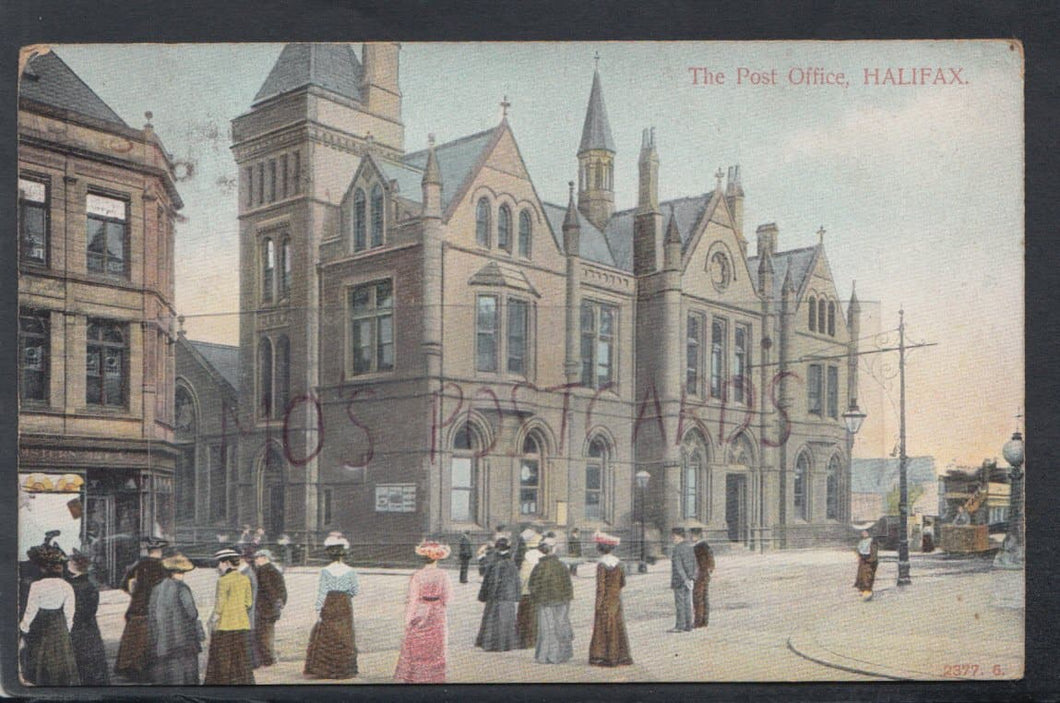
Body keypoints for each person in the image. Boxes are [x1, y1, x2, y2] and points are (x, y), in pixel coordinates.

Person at [394, 541, 453, 683]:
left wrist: (408, 619)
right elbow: (448, 598)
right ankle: (434, 676)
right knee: (435, 644)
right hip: (437, 611)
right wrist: (440, 605)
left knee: (417, 642)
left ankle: (416, 674)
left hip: (421, 609)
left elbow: (412, 598)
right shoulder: (443, 575)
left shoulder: (417, 575)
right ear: (438, 557)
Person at [20, 545, 79, 685]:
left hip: (40, 624)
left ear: (42, 568)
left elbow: (31, 610)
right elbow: (70, 612)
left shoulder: (36, 585)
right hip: (59, 625)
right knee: (59, 659)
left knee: (39, 655)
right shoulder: (66, 586)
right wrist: (66, 629)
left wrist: (24, 627)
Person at [304, 535, 360, 679]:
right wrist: (345, 596)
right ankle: (344, 668)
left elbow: (322, 591)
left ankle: (327, 668)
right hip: (344, 603)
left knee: (328, 633)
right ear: (343, 554)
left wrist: (318, 608)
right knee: (344, 634)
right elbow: (355, 590)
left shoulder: (325, 571)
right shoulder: (351, 571)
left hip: (329, 601)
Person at [115, 536, 169, 681]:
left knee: (133, 639)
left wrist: (135, 593)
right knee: (151, 640)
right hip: (154, 608)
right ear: (158, 551)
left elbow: (125, 585)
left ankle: (130, 669)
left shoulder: (138, 565)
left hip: (137, 608)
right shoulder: (162, 568)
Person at [148, 553, 203, 685]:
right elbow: (192, 613)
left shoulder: (157, 588)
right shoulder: (182, 588)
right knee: (185, 670)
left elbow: (151, 612)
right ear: (181, 572)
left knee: (166, 670)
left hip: (164, 638)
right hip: (183, 638)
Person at [204, 548, 254, 685]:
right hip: (242, 624)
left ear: (226, 563)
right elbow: (248, 603)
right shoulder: (245, 579)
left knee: (223, 659)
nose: (218, 566)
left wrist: (212, 621)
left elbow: (219, 606)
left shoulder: (223, 581)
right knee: (241, 659)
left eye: (219, 563)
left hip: (225, 625)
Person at [527, 536, 574, 664]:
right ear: (554, 549)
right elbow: (568, 586)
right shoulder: (562, 565)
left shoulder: (539, 567)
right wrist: (567, 599)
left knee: (546, 629)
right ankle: (561, 655)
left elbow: (532, 586)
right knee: (561, 626)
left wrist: (536, 599)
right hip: (562, 601)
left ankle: (546, 656)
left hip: (545, 602)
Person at [588, 531, 632, 667]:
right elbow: (623, 583)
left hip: (605, 599)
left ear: (600, 549)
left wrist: (598, 603)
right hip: (616, 599)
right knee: (617, 626)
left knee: (603, 627)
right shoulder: (619, 563)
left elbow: (600, 587)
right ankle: (620, 656)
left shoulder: (601, 564)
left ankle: (604, 656)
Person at [66, 553, 109, 685]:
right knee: (93, 659)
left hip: (77, 628)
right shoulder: (89, 584)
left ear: (73, 565)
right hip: (90, 627)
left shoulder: (73, 586)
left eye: (69, 563)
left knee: (78, 657)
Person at [475, 537, 520, 651]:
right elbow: (516, 580)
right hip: (508, 596)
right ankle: (507, 644)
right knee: (507, 619)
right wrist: (516, 595)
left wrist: (484, 595)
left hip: (495, 596)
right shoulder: (511, 563)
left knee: (493, 619)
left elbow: (488, 581)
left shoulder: (494, 562)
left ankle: (492, 643)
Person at [253, 549, 287, 667]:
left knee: (263, 635)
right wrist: (279, 603)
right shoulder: (275, 570)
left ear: (264, 558)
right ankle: (270, 657)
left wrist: (270, 603)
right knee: (268, 633)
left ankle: (269, 659)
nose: (256, 560)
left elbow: (267, 589)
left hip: (264, 608)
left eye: (257, 558)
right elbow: (282, 590)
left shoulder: (263, 571)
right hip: (273, 608)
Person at [515, 531, 542, 649]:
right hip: (540, 593)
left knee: (526, 617)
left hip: (527, 592)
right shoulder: (542, 556)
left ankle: (526, 640)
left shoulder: (527, 558)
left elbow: (523, 577)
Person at [668, 528, 697, 633]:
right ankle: (688, 625)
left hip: (679, 580)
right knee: (688, 603)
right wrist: (692, 578)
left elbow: (678, 566)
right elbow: (694, 563)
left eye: (674, 536)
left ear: (680, 536)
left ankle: (680, 626)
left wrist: (685, 579)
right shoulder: (689, 547)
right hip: (689, 579)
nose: (673, 539)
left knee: (680, 603)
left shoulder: (677, 549)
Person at [238, 547, 260, 668]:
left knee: (248, 637)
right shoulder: (246, 571)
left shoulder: (247, 573)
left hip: (247, 609)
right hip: (247, 609)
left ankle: (251, 662)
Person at [689, 527, 716, 629]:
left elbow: (696, 564)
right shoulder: (706, 546)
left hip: (700, 575)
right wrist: (710, 569)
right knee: (704, 597)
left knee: (698, 598)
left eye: (692, 535)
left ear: (697, 536)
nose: (691, 537)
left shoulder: (698, 547)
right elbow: (711, 561)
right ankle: (704, 621)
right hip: (705, 574)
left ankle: (698, 622)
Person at [854, 530, 879, 600]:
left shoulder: (872, 541)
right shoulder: (862, 541)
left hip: (869, 561)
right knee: (861, 575)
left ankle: (868, 591)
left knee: (868, 576)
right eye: (863, 532)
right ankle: (862, 589)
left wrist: (870, 560)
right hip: (863, 561)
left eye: (866, 532)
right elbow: (858, 550)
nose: (864, 534)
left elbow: (873, 554)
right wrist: (859, 556)